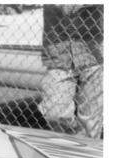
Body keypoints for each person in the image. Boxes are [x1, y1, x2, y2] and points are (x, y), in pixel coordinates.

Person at [40, 4, 103, 139]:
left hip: (92, 52)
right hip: (58, 55)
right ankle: (78, 141)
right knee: (55, 113)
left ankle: (88, 152)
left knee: (91, 120)